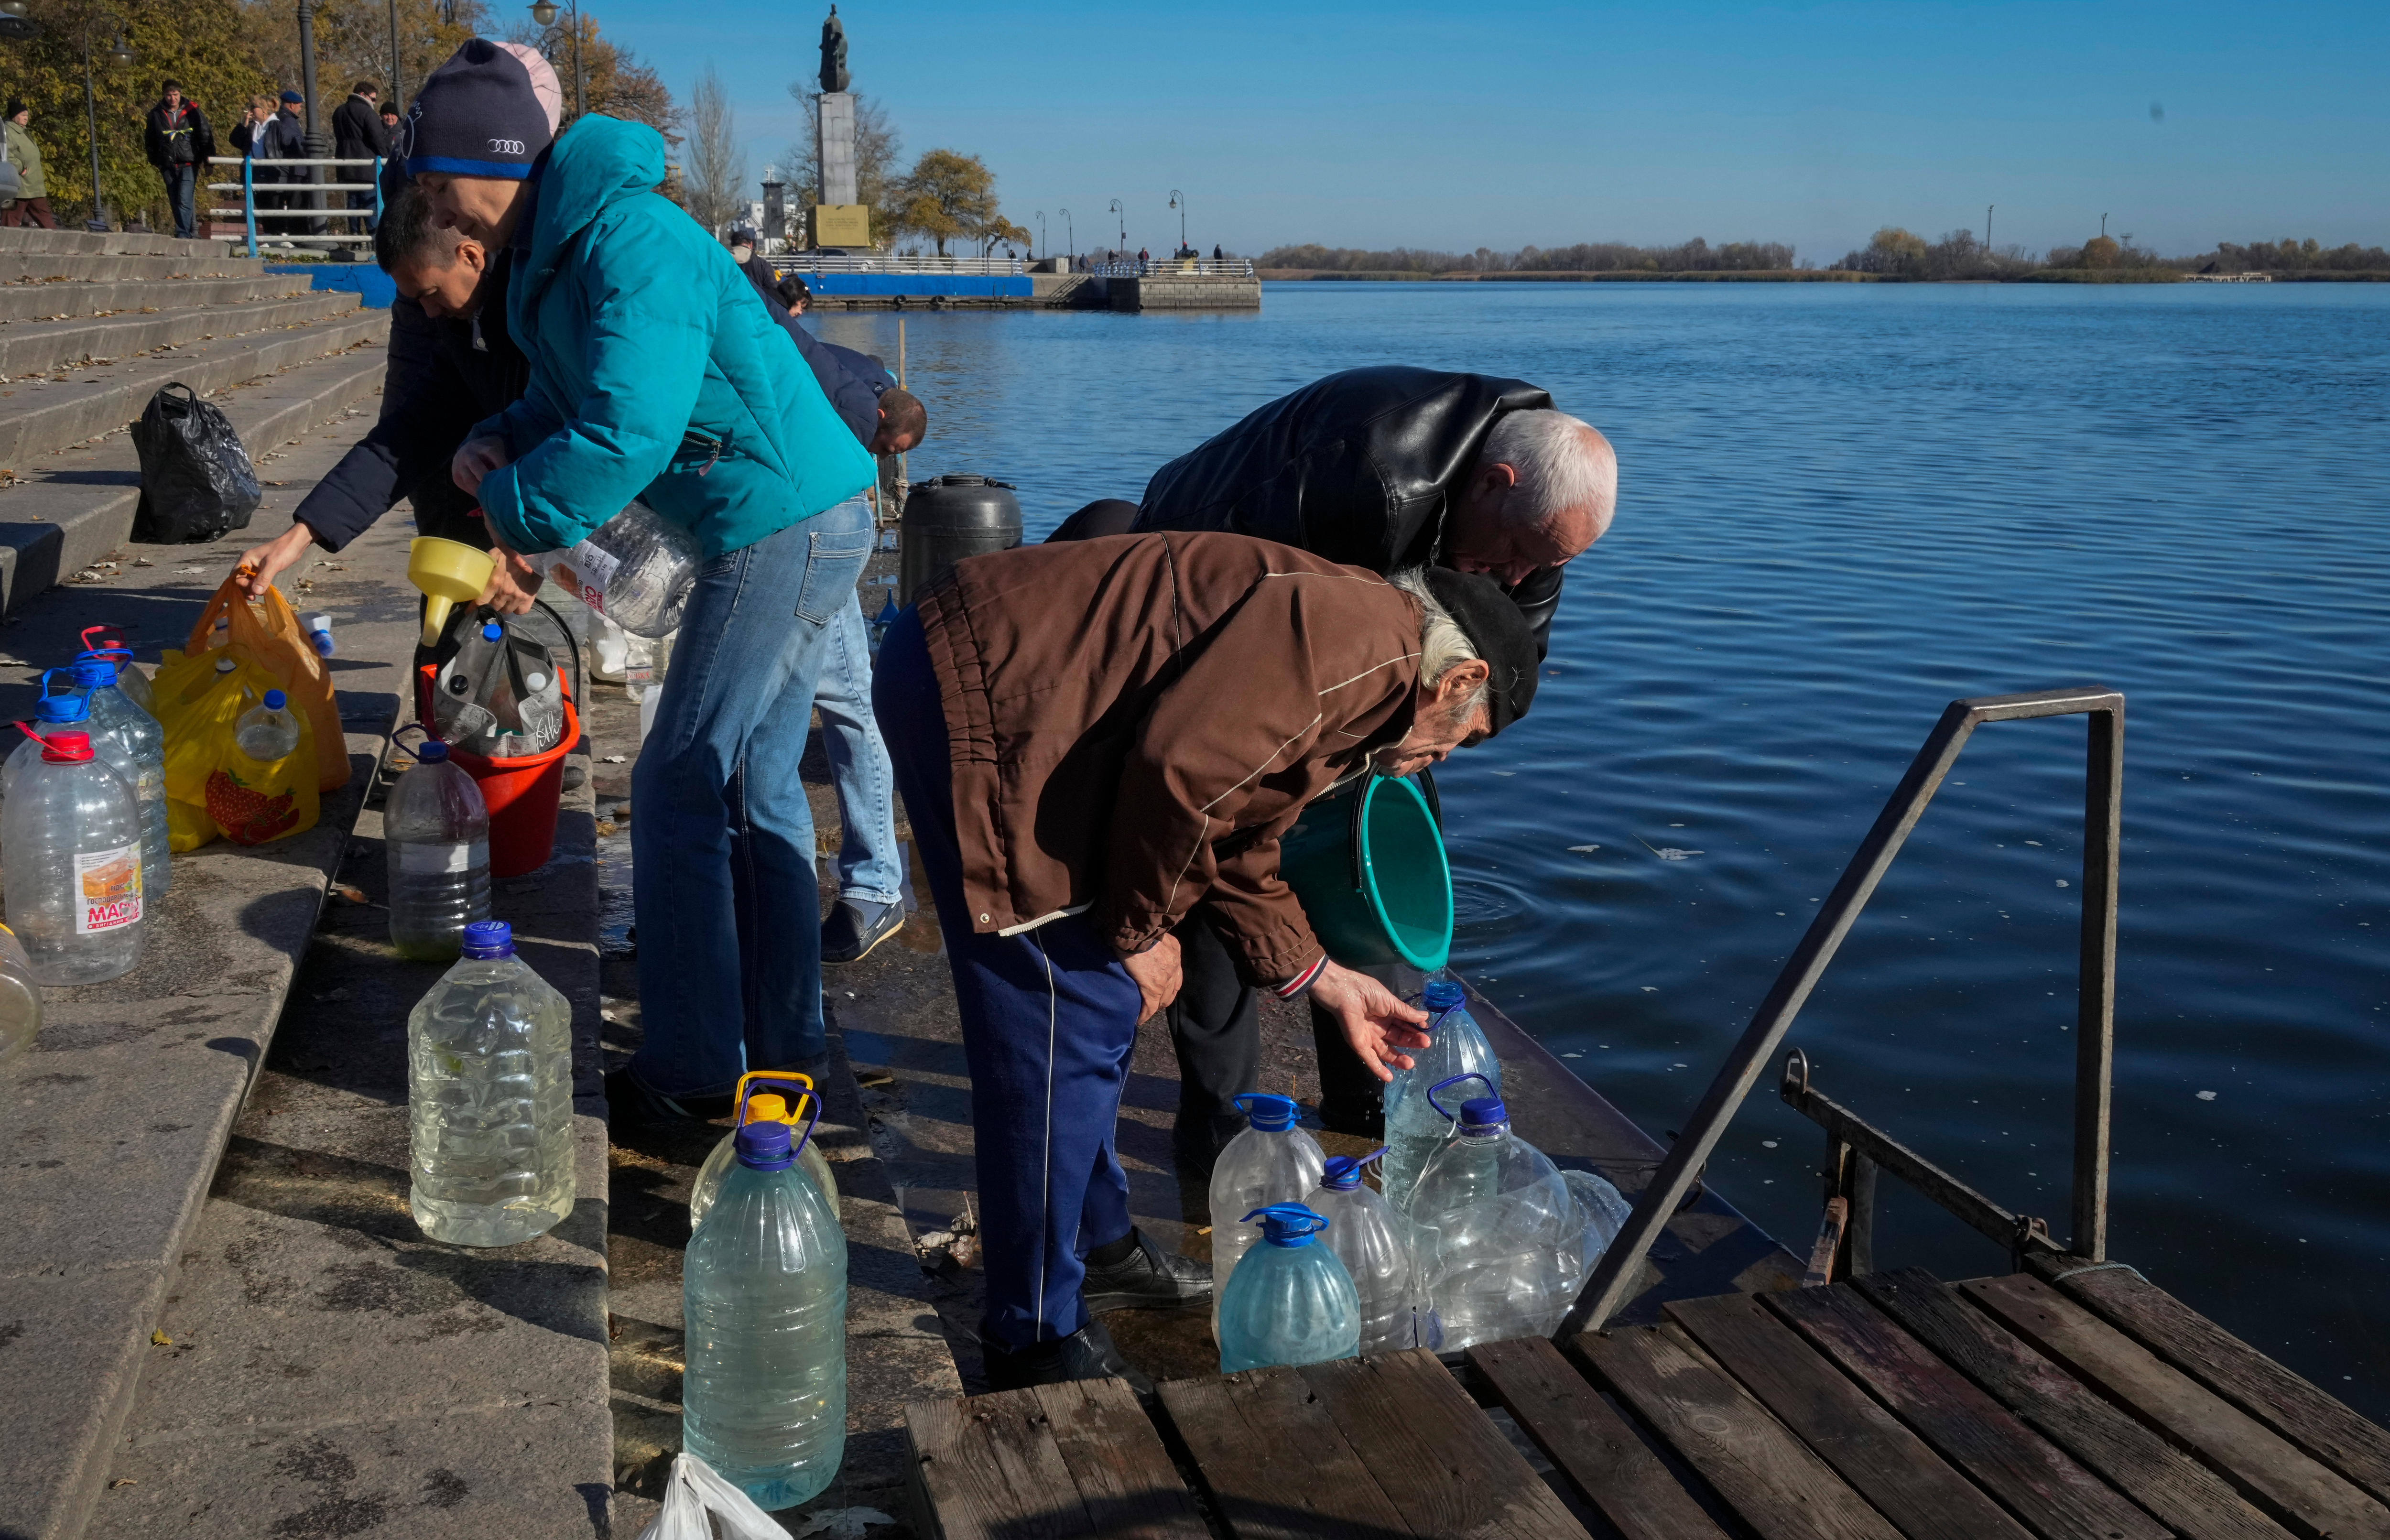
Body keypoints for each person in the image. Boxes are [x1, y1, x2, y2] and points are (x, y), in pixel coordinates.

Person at [874, 530, 1536, 1388]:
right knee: (1060, 1016)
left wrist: (1326, 980)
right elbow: (1184, 777)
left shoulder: (1363, 666)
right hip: (984, 692)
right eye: (1458, 741)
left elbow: (1240, 831)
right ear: (1460, 680)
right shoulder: (1362, 653)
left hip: (1013, 687)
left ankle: (1099, 1247)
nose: (1438, 761)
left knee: (1092, 1010)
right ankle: (1030, 1331)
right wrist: (1141, 934)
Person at [406, 38, 876, 1126]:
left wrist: (515, 516)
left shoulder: (629, 240)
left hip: (785, 521)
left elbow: (629, 428)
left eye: (437, 178)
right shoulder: (558, 260)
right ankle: (788, 1050)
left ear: (499, 161)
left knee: (675, 777)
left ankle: (696, 1067)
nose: (432, 201)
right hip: (771, 523)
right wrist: (497, 436)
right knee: (755, 788)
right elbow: (578, 399)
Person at [1057, 366, 1618, 1158]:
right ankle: (1224, 1131)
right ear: (1494, 484)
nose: (1527, 577)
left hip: (1395, 665)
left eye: (1549, 567)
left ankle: (1370, 1114)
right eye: (1524, 555)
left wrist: (1416, 746)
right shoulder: (1366, 476)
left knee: (1379, 869)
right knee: (1220, 859)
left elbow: (1504, 674)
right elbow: (1245, 692)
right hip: (1212, 619)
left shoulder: (1537, 529)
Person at [234, 185, 540, 639]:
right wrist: (299, 537)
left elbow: (606, 432)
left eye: (433, 292)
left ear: (471, 256)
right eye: (417, 300)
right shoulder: (465, 329)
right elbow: (406, 438)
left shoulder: (548, 310)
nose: (429, 312)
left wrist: (531, 547)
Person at [143, 82, 216, 241]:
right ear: (164, 95)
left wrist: (209, 161)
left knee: (184, 197)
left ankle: (183, 232)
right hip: (167, 163)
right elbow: (150, 138)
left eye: (175, 95)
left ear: (180, 94)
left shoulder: (192, 111)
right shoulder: (156, 113)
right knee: (175, 199)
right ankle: (187, 231)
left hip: (189, 161)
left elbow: (205, 135)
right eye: (169, 95)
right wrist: (155, 159)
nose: (172, 98)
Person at [331, 80, 389, 237]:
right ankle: (374, 238)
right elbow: (378, 138)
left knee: (353, 201)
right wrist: (386, 158)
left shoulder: (339, 111)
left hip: (345, 163)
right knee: (370, 202)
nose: (375, 103)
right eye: (373, 99)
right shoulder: (367, 112)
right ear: (363, 95)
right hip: (366, 165)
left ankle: (355, 236)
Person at [3, 102, 54, 228]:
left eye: (27, 115)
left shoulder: (23, 132)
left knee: (45, 218)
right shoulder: (8, 132)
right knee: (11, 218)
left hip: (33, 185)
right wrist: (21, 169)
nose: (26, 117)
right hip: (20, 185)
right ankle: (5, 245)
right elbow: (6, 154)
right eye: (23, 115)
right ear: (14, 116)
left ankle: (62, 244)